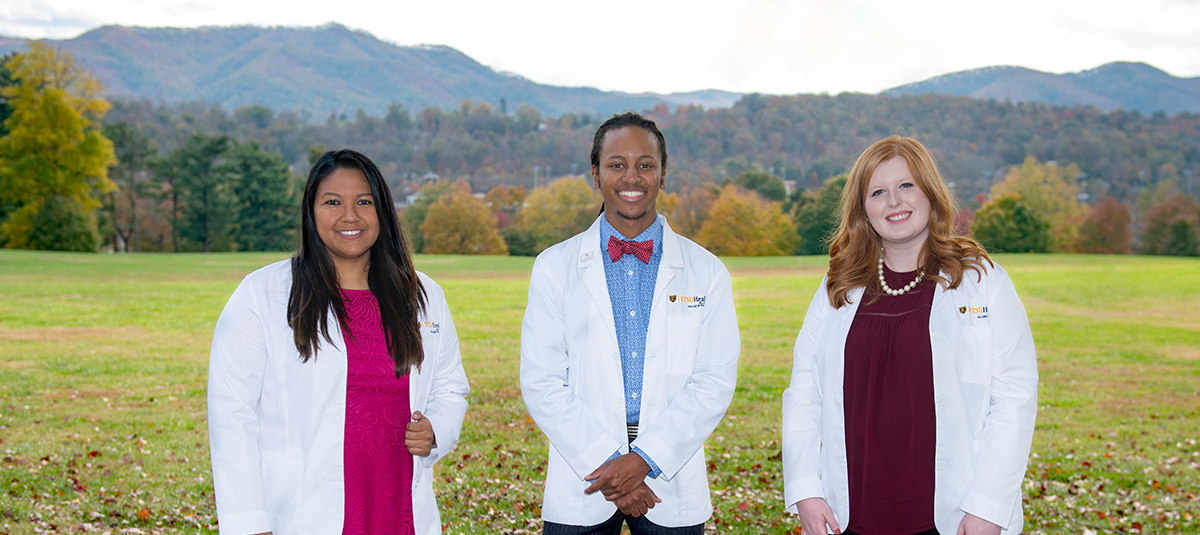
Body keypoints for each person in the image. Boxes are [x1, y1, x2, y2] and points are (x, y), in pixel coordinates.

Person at [781, 136, 1038, 535]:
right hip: (851, 511)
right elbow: (804, 393)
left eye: (906, 186)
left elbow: (1014, 401)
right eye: (878, 192)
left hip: (952, 515)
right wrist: (805, 489)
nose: (894, 202)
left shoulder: (981, 282)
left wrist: (987, 507)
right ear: (863, 209)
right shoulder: (839, 286)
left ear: (930, 193)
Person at [207, 149, 470, 535]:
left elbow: (450, 385)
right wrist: (250, 524)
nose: (350, 215)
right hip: (302, 509)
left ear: (383, 211)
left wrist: (436, 429)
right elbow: (232, 413)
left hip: (398, 504)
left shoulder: (422, 294)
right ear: (311, 212)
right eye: (333, 202)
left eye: (364, 201)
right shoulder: (263, 294)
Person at [520, 112, 740, 534]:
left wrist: (644, 460)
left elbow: (713, 381)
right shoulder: (554, 267)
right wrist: (610, 467)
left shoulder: (706, 270)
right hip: (582, 468)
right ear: (596, 174)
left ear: (663, 175)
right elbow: (542, 379)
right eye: (616, 164)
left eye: (645, 164)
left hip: (667, 472)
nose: (631, 176)